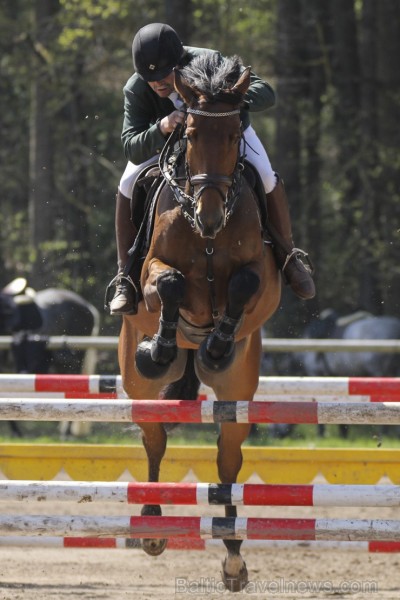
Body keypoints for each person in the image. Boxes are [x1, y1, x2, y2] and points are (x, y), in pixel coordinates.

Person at [108, 22, 315, 315]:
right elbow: (130, 145)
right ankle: (125, 277)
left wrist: (225, 101)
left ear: (178, 63)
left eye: (163, 74)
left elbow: (266, 92)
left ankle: (289, 257)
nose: (157, 83)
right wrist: (161, 127)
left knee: (266, 176)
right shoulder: (136, 87)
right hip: (168, 143)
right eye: (149, 77)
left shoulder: (209, 60)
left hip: (224, 137)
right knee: (126, 184)